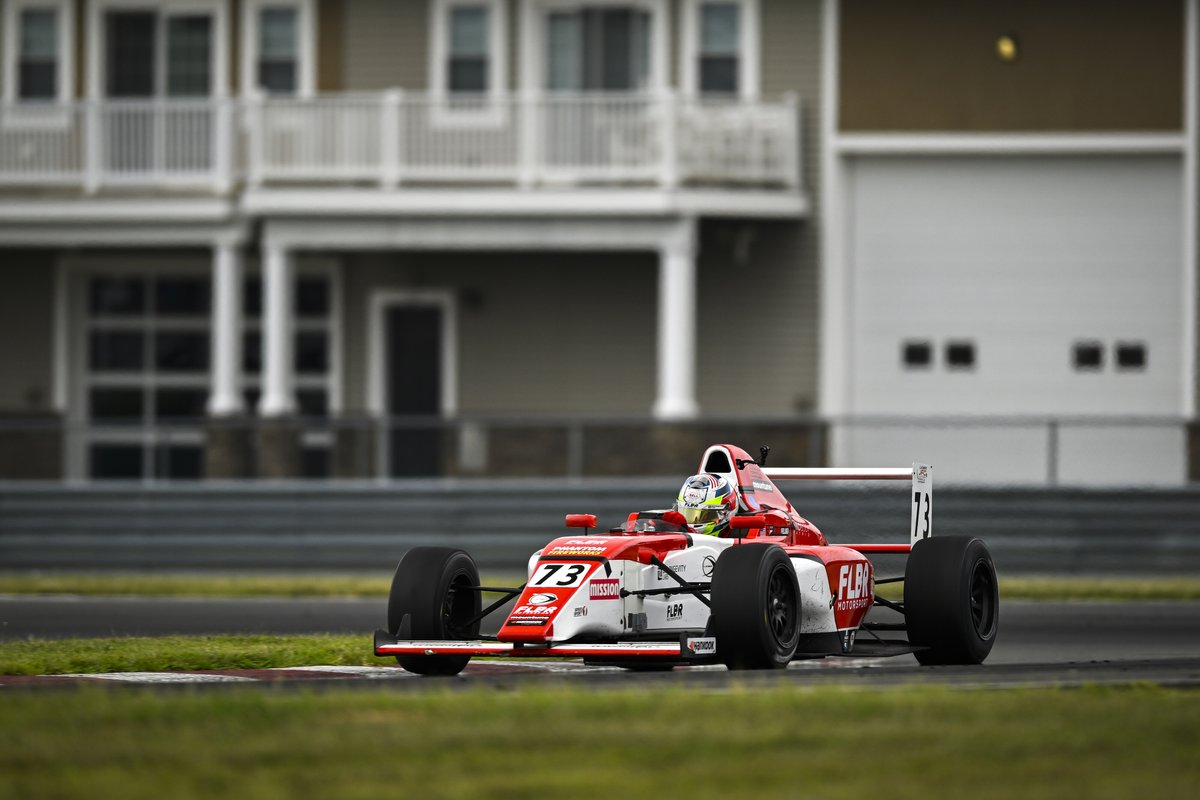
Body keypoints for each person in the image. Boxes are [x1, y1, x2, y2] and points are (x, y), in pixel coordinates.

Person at [671, 473, 737, 536]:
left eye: (707, 516)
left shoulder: (742, 542)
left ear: (725, 513)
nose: (690, 524)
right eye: (687, 514)